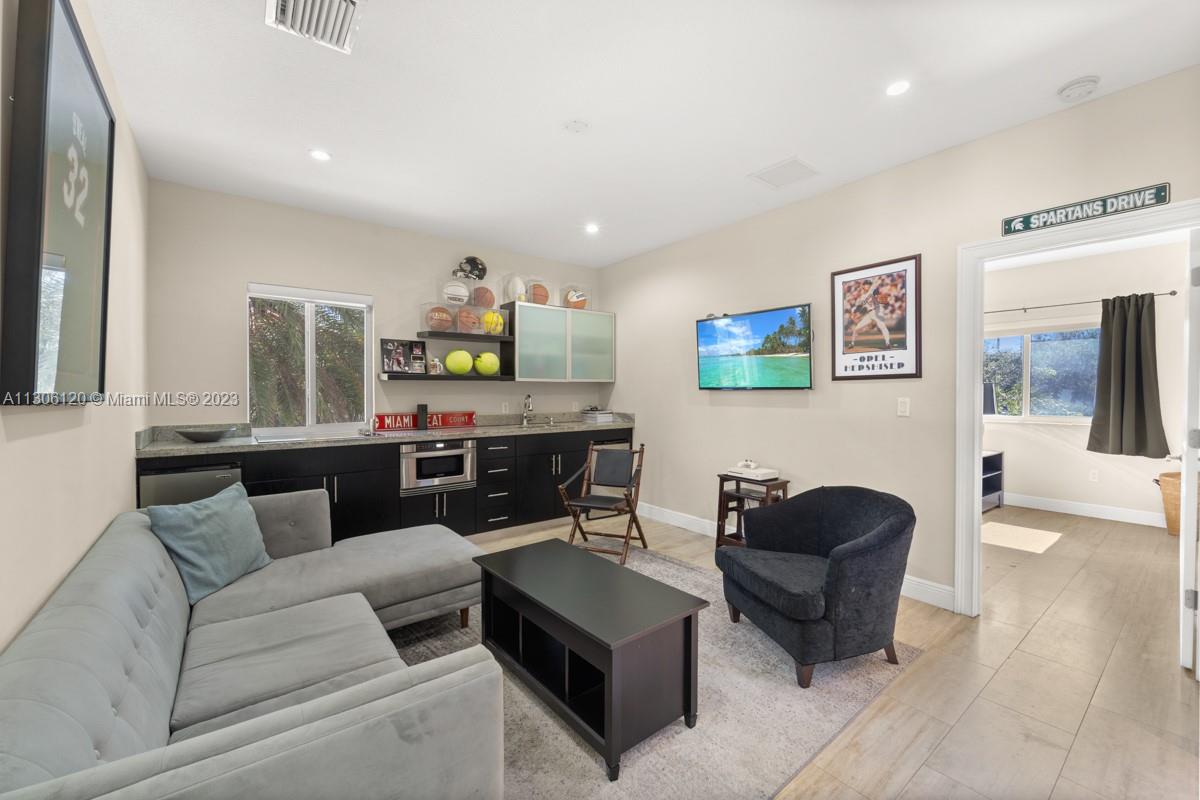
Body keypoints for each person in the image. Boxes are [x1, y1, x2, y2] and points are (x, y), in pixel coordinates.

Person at [848, 276, 892, 350]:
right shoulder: (862, 297)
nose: (868, 285)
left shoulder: (872, 289)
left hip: (877, 310)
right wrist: (856, 313)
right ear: (863, 286)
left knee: (882, 326)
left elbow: (876, 289)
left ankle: (887, 343)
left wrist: (878, 295)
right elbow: (861, 306)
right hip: (869, 314)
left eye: (869, 284)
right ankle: (852, 343)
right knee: (856, 329)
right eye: (866, 284)